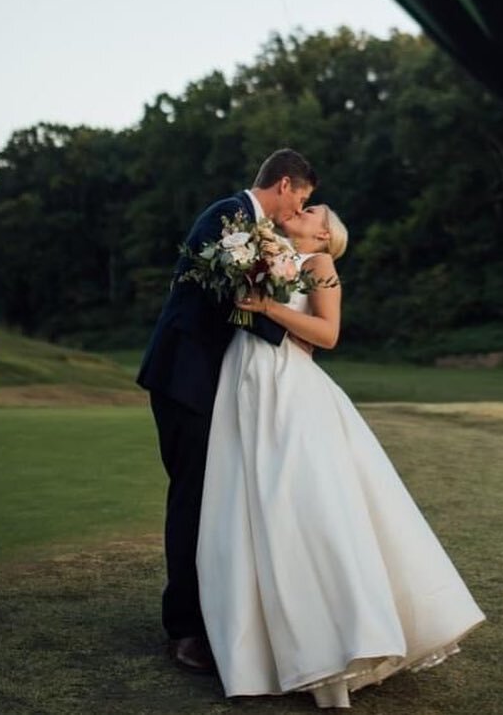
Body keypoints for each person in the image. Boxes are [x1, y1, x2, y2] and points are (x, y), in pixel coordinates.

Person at [196, 203, 485, 708]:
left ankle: (336, 644)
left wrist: (266, 307)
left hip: (289, 390)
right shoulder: (264, 251)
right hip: (244, 378)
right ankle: (255, 649)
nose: (300, 210)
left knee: (297, 506)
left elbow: (327, 335)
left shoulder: (320, 266)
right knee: (245, 506)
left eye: (311, 210)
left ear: (324, 233)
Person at [136, 147, 317, 674]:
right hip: (183, 378)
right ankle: (184, 631)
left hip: (211, 381)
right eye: (302, 199)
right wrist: (284, 333)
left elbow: (247, 296)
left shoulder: (255, 230)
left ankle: (217, 615)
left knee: (212, 498)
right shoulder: (228, 216)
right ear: (284, 185)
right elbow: (229, 296)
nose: (299, 210)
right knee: (190, 499)